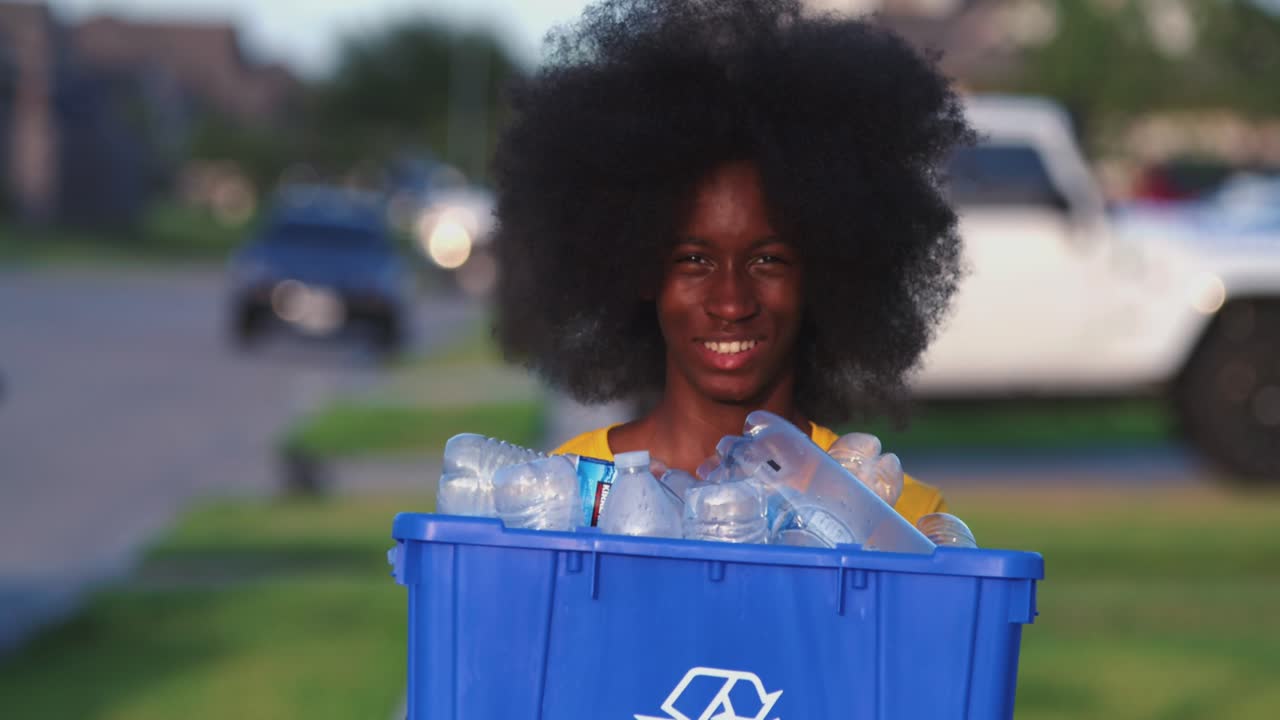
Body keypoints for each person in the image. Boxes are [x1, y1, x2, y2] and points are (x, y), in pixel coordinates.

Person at [491, 0, 973, 525]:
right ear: (636, 267)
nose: (730, 301)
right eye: (694, 260)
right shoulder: (563, 500)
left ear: (827, 271)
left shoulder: (900, 517)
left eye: (768, 260)